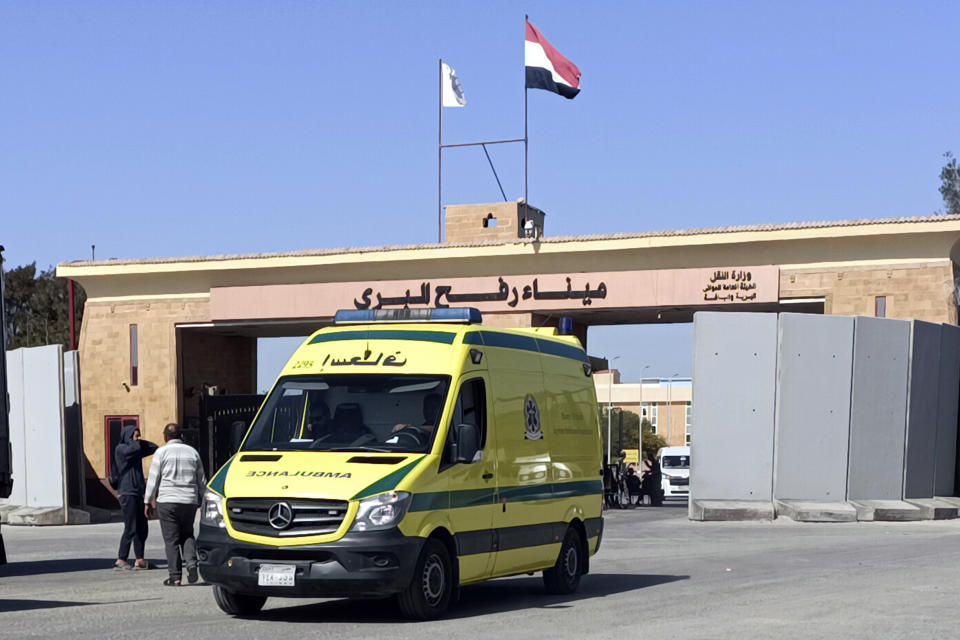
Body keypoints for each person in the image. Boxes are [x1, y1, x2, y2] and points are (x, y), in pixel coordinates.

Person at [144, 423, 207, 586]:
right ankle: (192, 564)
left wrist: (147, 501)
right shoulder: (192, 452)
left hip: (167, 501)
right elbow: (201, 479)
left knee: (171, 540)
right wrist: (204, 498)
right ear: (181, 435)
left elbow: (153, 478)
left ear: (165, 436)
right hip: (189, 501)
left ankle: (175, 576)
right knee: (187, 534)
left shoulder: (161, 452)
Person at [113, 424, 158, 570]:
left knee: (141, 527)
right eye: (135, 436)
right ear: (127, 437)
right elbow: (132, 449)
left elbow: (153, 447)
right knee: (130, 526)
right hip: (127, 492)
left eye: (139, 436)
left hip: (138, 492)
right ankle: (121, 559)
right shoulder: (121, 449)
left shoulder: (135, 449)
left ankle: (140, 559)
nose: (138, 439)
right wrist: (134, 442)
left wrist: (139, 440)